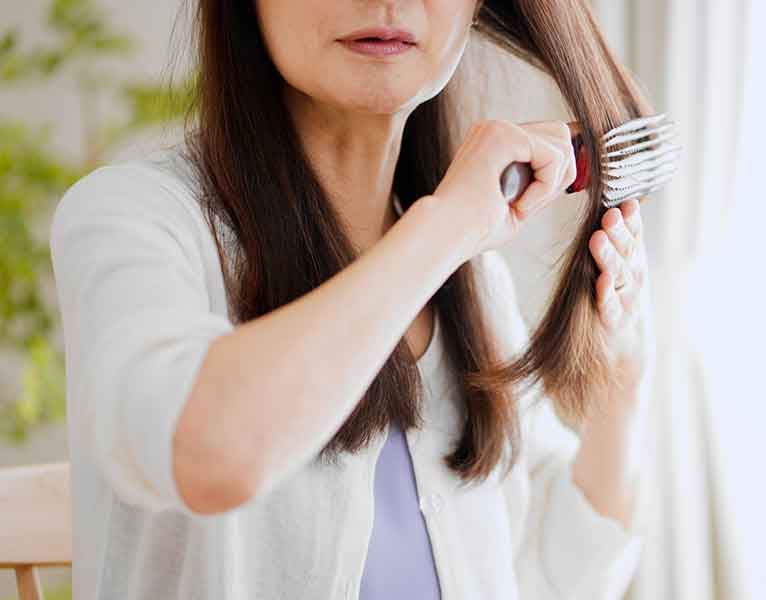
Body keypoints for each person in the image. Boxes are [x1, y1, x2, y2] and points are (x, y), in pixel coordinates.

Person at [49, 1, 654, 598]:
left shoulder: (476, 287)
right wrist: (444, 229)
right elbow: (206, 452)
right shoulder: (134, 219)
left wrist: (621, 375)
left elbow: (562, 573)